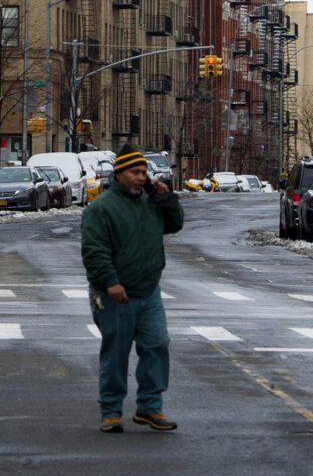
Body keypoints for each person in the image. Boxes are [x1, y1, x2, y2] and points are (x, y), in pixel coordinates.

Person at [81, 146, 185, 433]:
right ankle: (111, 411)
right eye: (135, 172)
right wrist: (110, 281)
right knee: (116, 352)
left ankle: (149, 409)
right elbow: (94, 250)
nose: (141, 177)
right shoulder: (101, 209)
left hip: (148, 290)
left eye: (144, 173)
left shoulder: (150, 203)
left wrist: (165, 198)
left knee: (157, 344)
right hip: (114, 293)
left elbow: (175, 224)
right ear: (119, 174)